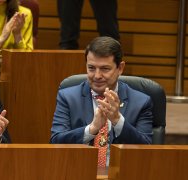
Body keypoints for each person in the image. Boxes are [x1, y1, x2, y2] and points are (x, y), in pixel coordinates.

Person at [50, 36, 152, 166]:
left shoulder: (141, 102)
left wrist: (117, 121)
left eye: (105, 69)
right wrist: (91, 129)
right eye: (91, 68)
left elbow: (147, 150)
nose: (97, 76)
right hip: (80, 172)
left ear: (120, 68)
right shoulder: (68, 97)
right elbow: (55, 143)